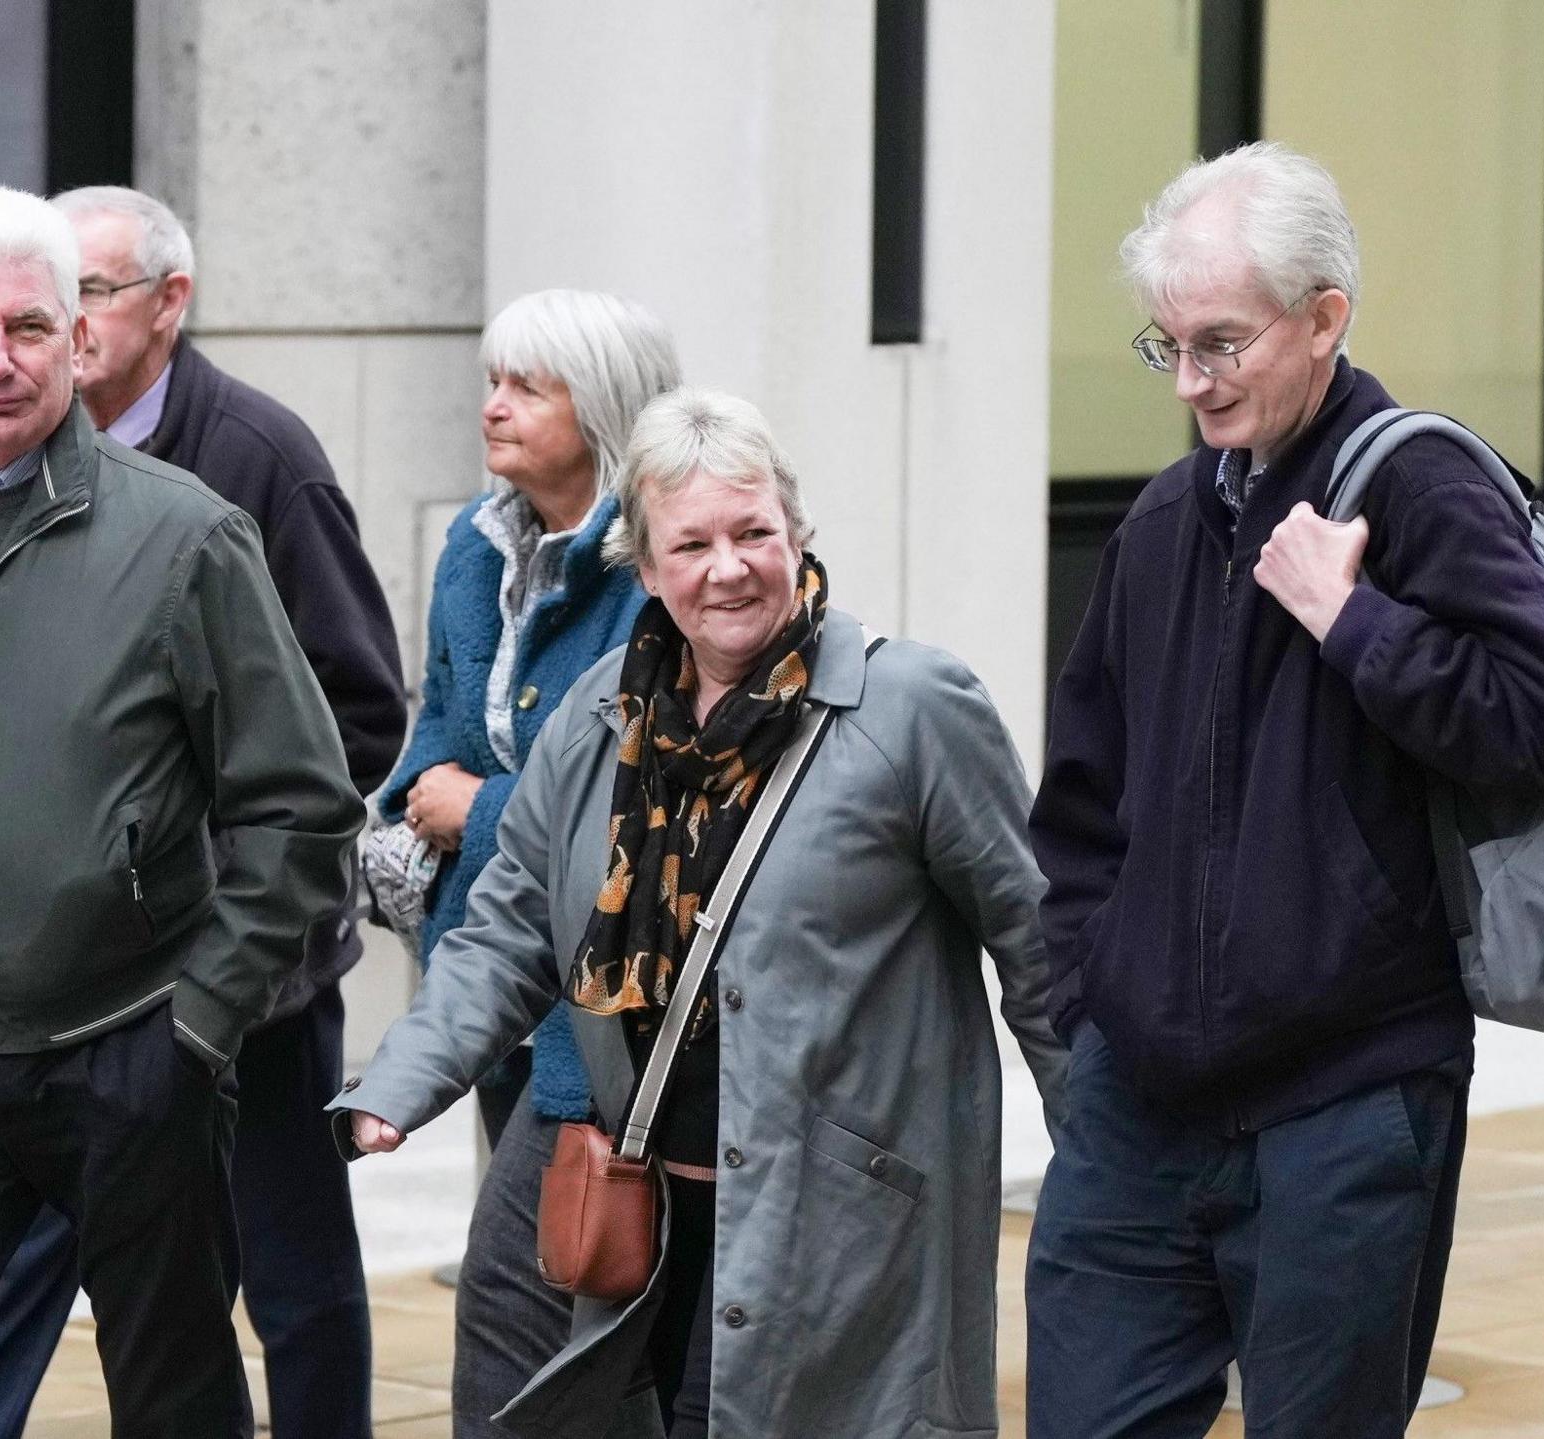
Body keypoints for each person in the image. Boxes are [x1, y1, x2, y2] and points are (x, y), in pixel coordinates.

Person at [1023, 141, 1544, 1438]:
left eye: (1221, 344)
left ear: (1324, 318)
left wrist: (1353, 622)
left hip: (1344, 1106)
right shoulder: (1168, 519)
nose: (1189, 382)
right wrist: (1089, 1004)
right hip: (1136, 1105)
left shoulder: (1420, 483)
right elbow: (1083, 796)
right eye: (1166, 346)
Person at [336, 387, 1070, 1439]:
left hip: (842, 1229)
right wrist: (403, 1082)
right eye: (691, 545)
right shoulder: (601, 715)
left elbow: (1036, 940)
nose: (727, 568)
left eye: (752, 533)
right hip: (650, 1222)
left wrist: (1097, 1146)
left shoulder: (911, 708)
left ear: (796, 534)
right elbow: (507, 929)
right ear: (644, 565)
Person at [0, 185, 364, 1439]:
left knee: (176, 1404)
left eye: (29, 328)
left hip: (130, 1047)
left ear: (73, 339)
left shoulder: (189, 536)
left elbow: (302, 806)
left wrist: (199, 1024)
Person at [0, 185, 408, 1439]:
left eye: (89, 290)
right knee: (80, 1268)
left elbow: (361, 713)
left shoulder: (263, 458)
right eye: (57, 292)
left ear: (171, 303)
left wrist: (197, 860)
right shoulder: (15, 450)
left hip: (250, 965)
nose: (67, 321)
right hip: (74, 973)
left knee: (292, 1266)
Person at [374, 288, 677, 1436]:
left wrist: (479, 808)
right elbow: (439, 725)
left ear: (597, 407)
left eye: (526, 386)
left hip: (613, 1004)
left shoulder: (658, 560)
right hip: (496, 971)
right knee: (571, 1278)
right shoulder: (474, 540)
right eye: (491, 378)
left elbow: (647, 796)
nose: (492, 405)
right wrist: (415, 803)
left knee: (563, 1288)